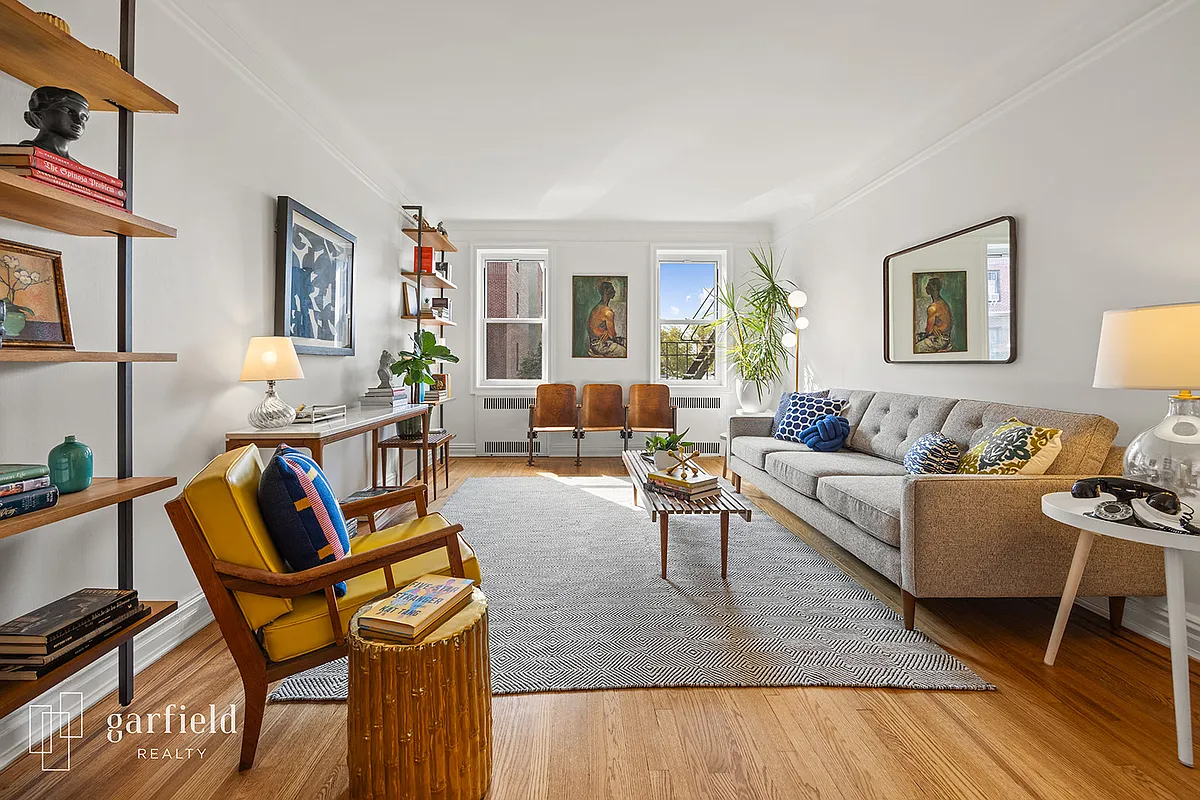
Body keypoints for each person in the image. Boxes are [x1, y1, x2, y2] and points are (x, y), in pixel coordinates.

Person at [19, 86, 89, 161]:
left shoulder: (76, 166)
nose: (78, 121)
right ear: (40, 113)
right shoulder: (29, 150)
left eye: (83, 118)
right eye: (68, 111)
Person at [914, 276, 954, 353]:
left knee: (917, 348)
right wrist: (934, 327)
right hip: (945, 338)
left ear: (935, 287)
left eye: (928, 285)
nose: (926, 288)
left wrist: (932, 329)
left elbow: (928, 330)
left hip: (939, 340)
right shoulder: (943, 303)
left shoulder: (933, 308)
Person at [586, 281, 626, 357]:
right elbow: (612, 335)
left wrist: (606, 332)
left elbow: (592, 328)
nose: (614, 291)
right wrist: (608, 333)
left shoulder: (596, 308)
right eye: (612, 289)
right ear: (606, 291)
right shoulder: (608, 312)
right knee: (624, 351)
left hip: (593, 343)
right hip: (601, 345)